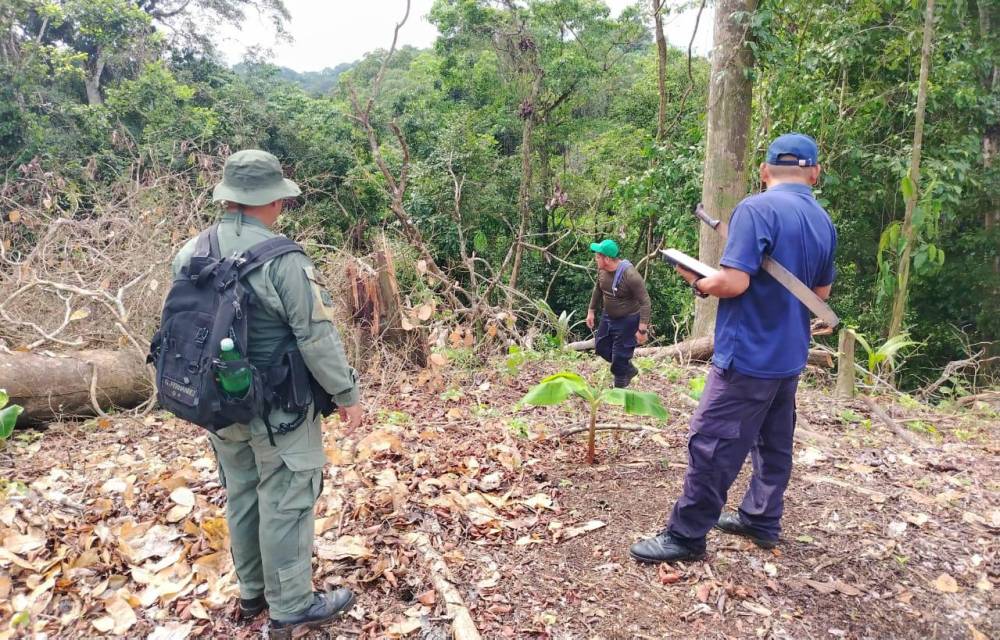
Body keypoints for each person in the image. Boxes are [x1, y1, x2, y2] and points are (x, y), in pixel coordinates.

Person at [170, 150, 363, 637]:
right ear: (272, 201)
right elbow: (315, 335)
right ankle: (292, 607)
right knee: (287, 500)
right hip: (281, 407)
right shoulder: (284, 259)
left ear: (230, 198)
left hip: (219, 402)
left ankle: (253, 592)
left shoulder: (192, 250)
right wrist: (347, 394)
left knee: (242, 493)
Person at [628, 133, 836, 563]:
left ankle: (686, 535)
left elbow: (733, 283)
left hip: (747, 355)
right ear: (814, 173)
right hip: (790, 355)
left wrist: (699, 280)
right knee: (773, 442)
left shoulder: (756, 209)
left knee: (713, 441)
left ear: (764, 171)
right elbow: (821, 290)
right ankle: (761, 518)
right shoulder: (823, 220)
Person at [585, 239, 651, 388]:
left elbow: (645, 302)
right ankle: (628, 369)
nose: (595, 259)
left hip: (628, 319)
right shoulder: (602, 270)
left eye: (598, 256)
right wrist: (591, 311)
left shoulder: (631, 276)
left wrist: (642, 330)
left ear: (607, 259)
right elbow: (598, 288)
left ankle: (619, 389)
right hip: (608, 316)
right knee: (601, 347)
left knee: (620, 355)